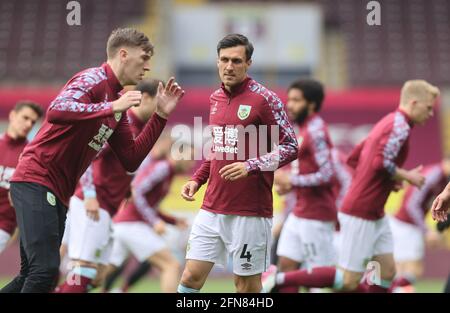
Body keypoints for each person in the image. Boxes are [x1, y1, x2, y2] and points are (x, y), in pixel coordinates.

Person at [1, 27, 184, 293]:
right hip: (36, 179)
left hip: (58, 191)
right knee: (45, 271)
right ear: (123, 54)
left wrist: (160, 116)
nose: (147, 66)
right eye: (144, 57)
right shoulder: (93, 79)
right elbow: (57, 110)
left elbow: (131, 159)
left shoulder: (117, 101)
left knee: (33, 273)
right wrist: (110, 108)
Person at [263, 79, 439, 293]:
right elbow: (378, 162)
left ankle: (280, 277)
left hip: (372, 212)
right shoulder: (400, 127)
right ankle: (278, 279)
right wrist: (405, 175)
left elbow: (356, 157)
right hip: (361, 210)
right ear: (413, 103)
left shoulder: (389, 121)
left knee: (387, 271)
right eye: (428, 108)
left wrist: (386, 180)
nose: (430, 113)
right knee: (347, 280)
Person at [178, 33, 298, 293]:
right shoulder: (215, 99)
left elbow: (291, 146)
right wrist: (197, 179)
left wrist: (250, 165)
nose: (229, 66)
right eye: (224, 60)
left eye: (236, 61)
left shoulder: (265, 99)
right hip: (212, 208)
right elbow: (218, 149)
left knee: (245, 286)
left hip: (250, 213)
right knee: (190, 278)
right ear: (217, 61)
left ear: (248, 63)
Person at [56, 79, 163, 292]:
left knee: (97, 276)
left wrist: (127, 186)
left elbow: (123, 164)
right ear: (147, 98)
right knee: (83, 268)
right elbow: (88, 155)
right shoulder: (122, 122)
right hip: (92, 204)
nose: (164, 106)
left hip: (108, 208)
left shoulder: (141, 126)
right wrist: (89, 195)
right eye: (161, 100)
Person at [271, 79, 337, 293]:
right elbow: (307, 171)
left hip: (317, 215)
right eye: (289, 99)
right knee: (287, 268)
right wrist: (290, 183)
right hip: (299, 212)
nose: (289, 105)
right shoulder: (302, 129)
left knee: (316, 278)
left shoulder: (317, 131)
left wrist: (293, 181)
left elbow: (328, 175)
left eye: (296, 100)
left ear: (311, 104)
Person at [105, 145, 194, 292]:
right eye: (190, 157)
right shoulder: (163, 168)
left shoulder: (168, 172)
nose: (191, 163)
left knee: (102, 272)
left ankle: (71, 286)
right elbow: (137, 192)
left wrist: (173, 221)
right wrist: (154, 222)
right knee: (171, 265)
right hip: (131, 225)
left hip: (124, 224)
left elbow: (149, 204)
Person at [389, 159, 449, 292]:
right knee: (410, 269)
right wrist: (426, 231)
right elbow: (411, 205)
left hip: (407, 226)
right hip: (405, 225)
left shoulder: (443, 179)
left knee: (405, 271)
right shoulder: (434, 175)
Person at [0, 101, 43, 254]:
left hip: (4, 225)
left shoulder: (31, 155)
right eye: (25, 118)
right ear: (12, 115)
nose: (28, 124)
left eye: (32, 122)